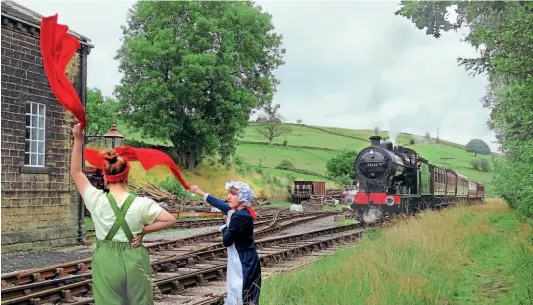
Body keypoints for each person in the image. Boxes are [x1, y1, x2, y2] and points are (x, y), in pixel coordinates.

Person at [70, 124, 177, 305]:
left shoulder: (96, 200)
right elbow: (170, 219)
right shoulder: (141, 203)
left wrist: (78, 139)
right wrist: (143, 231)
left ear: (105, 177)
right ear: (127, 176)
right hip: (134, 256)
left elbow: (76, 172)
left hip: (106, 258)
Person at [189, 181, 261, 305]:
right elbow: (221, 204)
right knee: (239, 293)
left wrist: (224, 228)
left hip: (242, 262)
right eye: (228, 193)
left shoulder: (240, 216)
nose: (228, 196)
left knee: (240, 294)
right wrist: (199, 192)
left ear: (243, 197)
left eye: (233, 194)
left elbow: (226, 241)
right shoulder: (240, 211)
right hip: (243, 258)